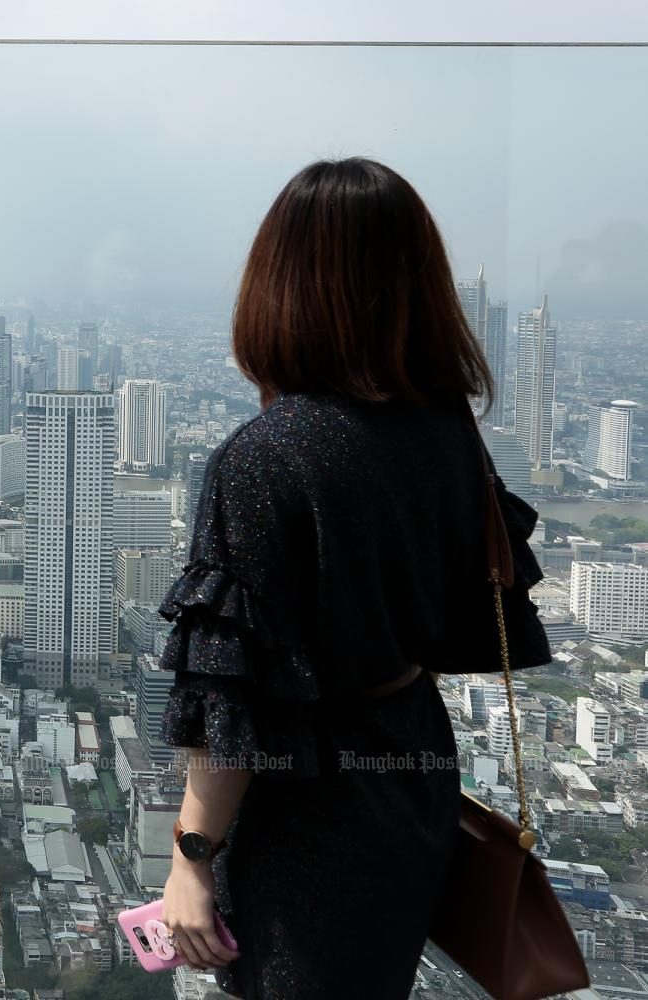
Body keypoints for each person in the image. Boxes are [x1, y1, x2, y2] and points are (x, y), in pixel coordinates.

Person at [155, 157, 551, 999]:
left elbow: (238, 698)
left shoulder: (263, 461)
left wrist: (190, 858)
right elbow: (456, 618)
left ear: (277, 285)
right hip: (411, 773)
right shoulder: (444, 430)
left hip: (310, 811)